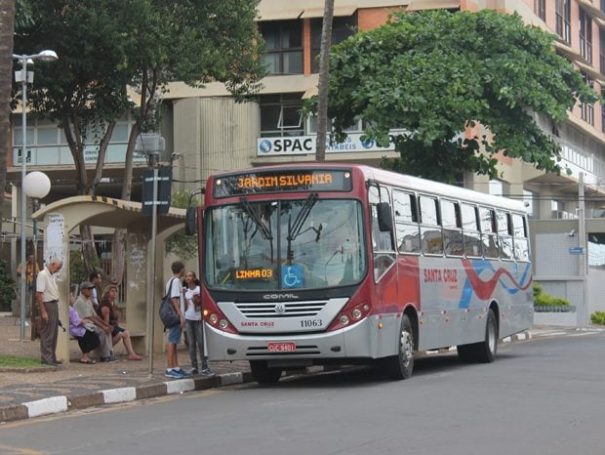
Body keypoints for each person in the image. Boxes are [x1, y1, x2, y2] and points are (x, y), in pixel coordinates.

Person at [97, 284, 143, 361]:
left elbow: (116, 318)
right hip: (105, 326)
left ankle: (131, 354)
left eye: (116, 291)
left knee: (126, 332)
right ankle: (107, 351)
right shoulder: (105, 304)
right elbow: (106, 321)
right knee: (120, 334)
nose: (115, 293)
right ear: (107, 293)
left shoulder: (113, 303)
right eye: (112, 291)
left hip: (113, 326)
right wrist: (108, 328)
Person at [182, 271, 213, 376]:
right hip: (188, 319)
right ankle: (194, 366)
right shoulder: (184, 291)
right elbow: (183, 306)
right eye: (186, 276)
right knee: (191, 344)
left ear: (194, 278)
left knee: (200, 343)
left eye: (190, 276)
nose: (188, 278)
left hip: (198, 319)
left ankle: (204, 366)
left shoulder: (199, 290)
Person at [75, 281, 114, 362]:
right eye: (89, 289)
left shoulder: (88, 300)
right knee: (103, 331)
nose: (91, 291)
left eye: (92, 289)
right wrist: (103, 326)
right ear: (82, 290)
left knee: (108, 330)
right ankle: (105, 356)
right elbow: (90, 318)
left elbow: (95, 316)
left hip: (90, 324)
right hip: (83, 325)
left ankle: (109, 353)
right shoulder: (80, 301)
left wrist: (106, 325)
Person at [164, 261, 190, 379]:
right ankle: (170, 368)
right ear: (181, 269)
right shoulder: (175, 281)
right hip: (175, 316)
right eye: (184, 269)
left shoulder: (172, 281)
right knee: (172, 341)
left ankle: (176, 367)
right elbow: (174, 299)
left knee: (174, 342)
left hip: (175, 315)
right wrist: (180, 315)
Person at [35, 258, 63, 366]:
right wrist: (43, 311)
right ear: (53, 264)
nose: (58, 270)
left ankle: (51, 357)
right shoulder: (43, 275)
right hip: (47, 304)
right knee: (47, 332)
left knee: (53, 332)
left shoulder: (50, 275)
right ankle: (46, 358)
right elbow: (39, 294)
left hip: (53, 304)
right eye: (58, 268)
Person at [68, 290, 100, 364]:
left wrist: (83, 320)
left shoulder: (71, 308)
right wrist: (83, 321)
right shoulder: (70, 309)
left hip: (77, 327)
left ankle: (85, 356)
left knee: (90, 334)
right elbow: (75, 321)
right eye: (71, 296)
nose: (73, 298)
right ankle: (85, 356)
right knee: (94, 337)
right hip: (74, 328)